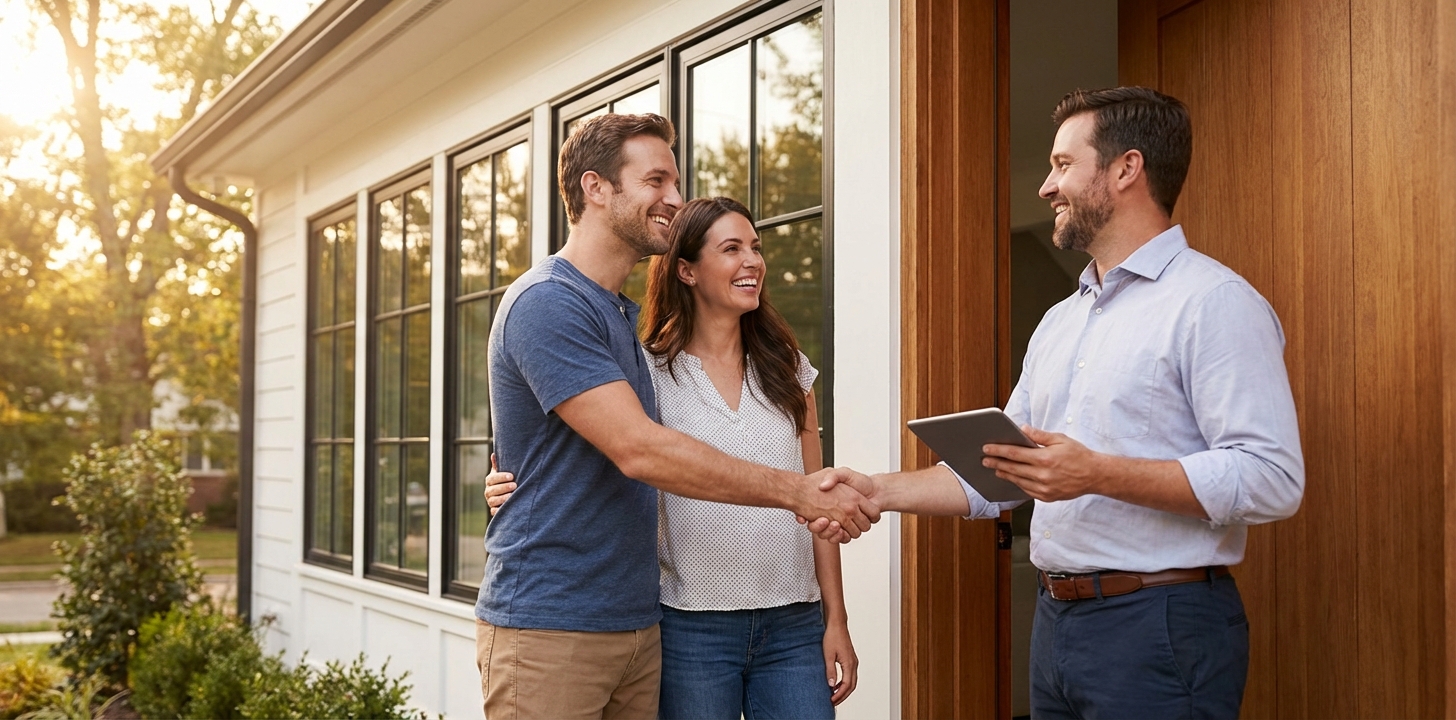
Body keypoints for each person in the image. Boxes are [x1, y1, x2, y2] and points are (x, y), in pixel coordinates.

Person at [810, 87, 1304, 717]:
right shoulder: (1059, 323)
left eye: (1063, 165)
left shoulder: (1214, 304)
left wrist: (1096, 472)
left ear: (1126, 169)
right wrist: (876, 491)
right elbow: (1005, 473)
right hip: (1056, 628)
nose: (1046, 186)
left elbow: (1273, 479)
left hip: (1161, 627)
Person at [474, 113, 876, 720]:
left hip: (636, 627)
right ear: (596, 188)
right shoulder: (549, 302)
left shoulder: (616, 320)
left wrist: (517, 476)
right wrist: (800, 493)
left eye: (676, 182)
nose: (674, 198)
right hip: (554, 623)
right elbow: (640, 448)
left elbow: (567, 441)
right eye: (656, 180)